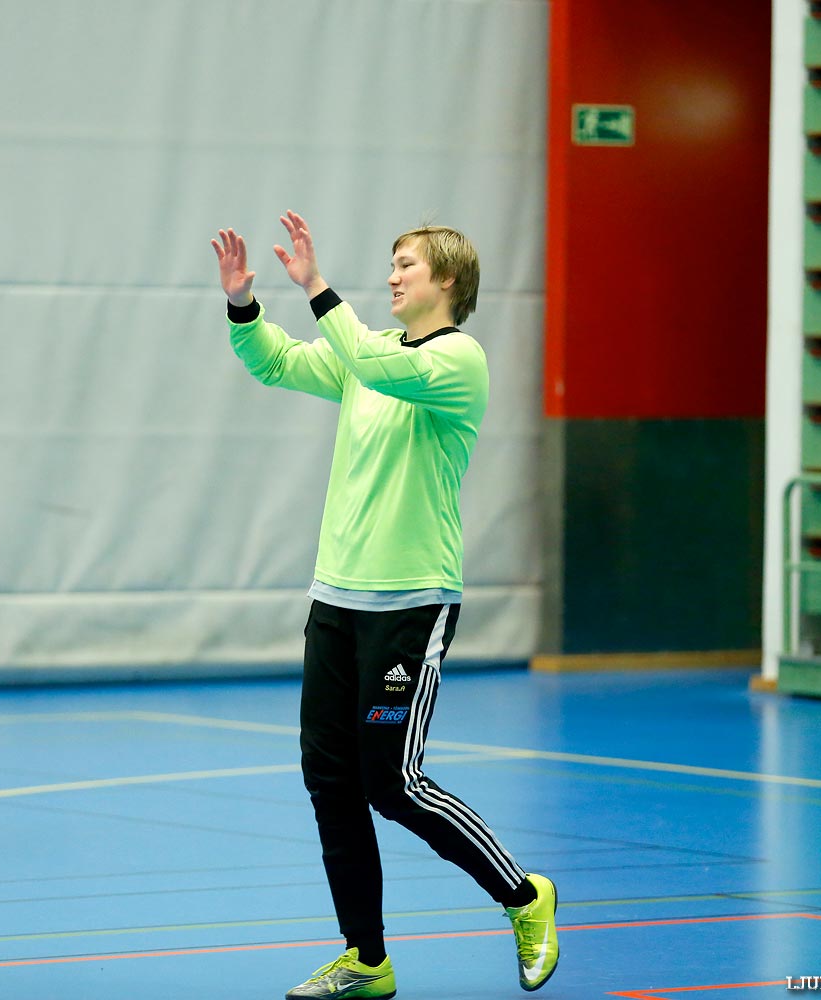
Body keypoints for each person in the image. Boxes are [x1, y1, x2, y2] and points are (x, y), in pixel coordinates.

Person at [212, 212, 559, 998]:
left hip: (412, 603)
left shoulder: (457, 359)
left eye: (408, 264)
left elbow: (367, 356)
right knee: (329, 781)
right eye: (392, 263)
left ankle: (522, 894)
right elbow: (278, 364)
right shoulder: (366, 361)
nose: (394, 274)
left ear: (447, 281)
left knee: (392, 782)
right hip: (336, 598)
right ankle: (366, 961)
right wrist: (243, 305)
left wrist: (316, 286)